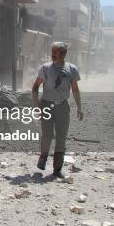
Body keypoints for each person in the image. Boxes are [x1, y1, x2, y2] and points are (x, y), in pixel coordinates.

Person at [31, 42, 83, 179]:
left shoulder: (72, 69)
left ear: (64, 54)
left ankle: (57, 169)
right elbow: (35, 87)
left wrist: (79, 107)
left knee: (61, 138)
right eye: (52, 51)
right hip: (47, 105)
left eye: (56, 52)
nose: (53, 54)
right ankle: (43, 158)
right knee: (47, 135)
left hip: (62, 107)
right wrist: (37, 105)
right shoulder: (45, 68)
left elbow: (75, 89)